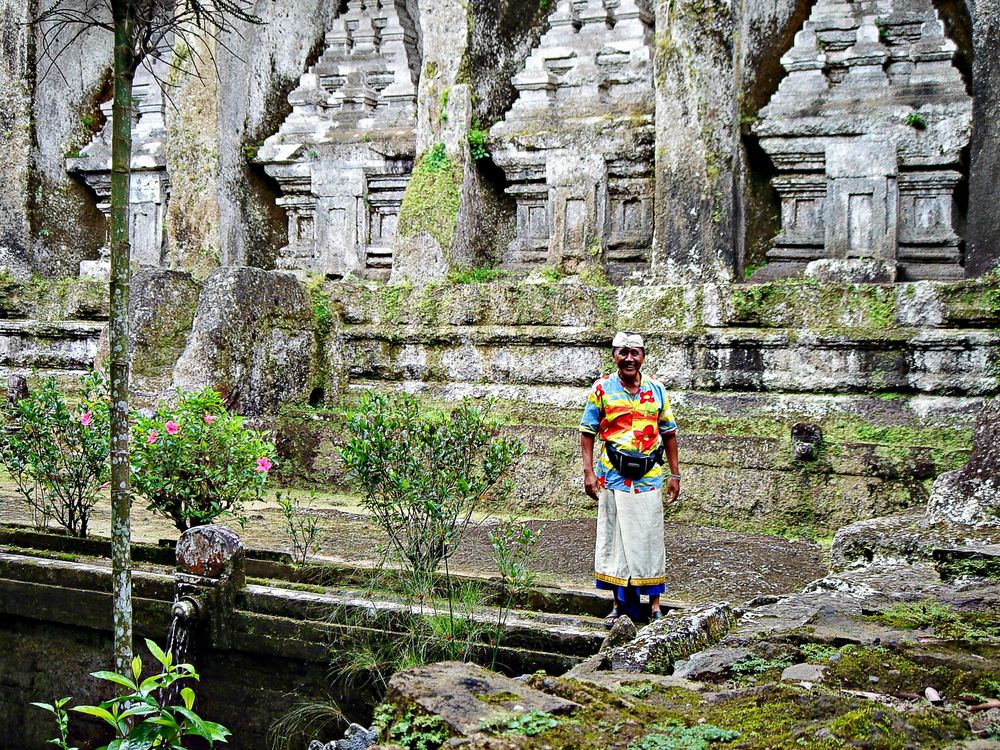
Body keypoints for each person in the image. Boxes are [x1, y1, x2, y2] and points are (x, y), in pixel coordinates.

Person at [579, 331, 680, 628]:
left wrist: (675, 473)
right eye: (623, 352)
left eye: (635, 353)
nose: (629, 359)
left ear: (643, 356)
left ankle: (655, 606)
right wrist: (588, 472)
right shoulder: (601, 389)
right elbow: (587, 432)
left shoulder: (657, 390)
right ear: (614, 356)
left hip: (649, 477)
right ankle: (617, 604)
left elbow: (669, 434)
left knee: (649, 539)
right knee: (616, 539)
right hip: (612, 475)